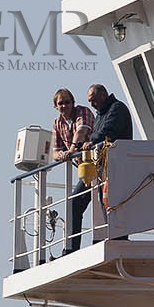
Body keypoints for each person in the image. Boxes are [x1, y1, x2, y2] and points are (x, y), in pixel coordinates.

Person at [66, 84, 136, 253]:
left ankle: (117, 237)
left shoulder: (117, 108)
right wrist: (83, 146)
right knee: (76, 201)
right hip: (99, 166)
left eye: (93, 100)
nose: (92, 104)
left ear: (103, 96)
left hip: (115, 166)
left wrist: (92, 141)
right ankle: (71, 247)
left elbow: (108, 131)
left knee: (108, 201)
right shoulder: (100, 115)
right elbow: (97, 135)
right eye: (89, 101)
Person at [51, 88, 94, 163]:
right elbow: (54, 151)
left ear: (73, 103)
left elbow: (81, 132)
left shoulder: (82, 111)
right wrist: (61, 155)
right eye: (60, 103)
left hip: (98, 158)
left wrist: (71, 150)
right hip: (83, 166)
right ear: (56, 106)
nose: (64, 106)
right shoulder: (57, 123)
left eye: (67, 102)